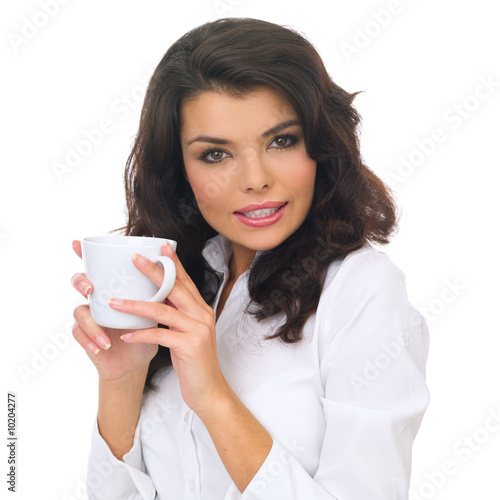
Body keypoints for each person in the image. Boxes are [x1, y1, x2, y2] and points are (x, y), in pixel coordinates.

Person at [70, 17, 430, 500]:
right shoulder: (184, 282)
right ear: (179, 170)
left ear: (321, 146)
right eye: (216, 154)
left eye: (281, 140)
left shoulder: (362, 290)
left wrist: (215, 398)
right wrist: (123, 378)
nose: (255, 178)